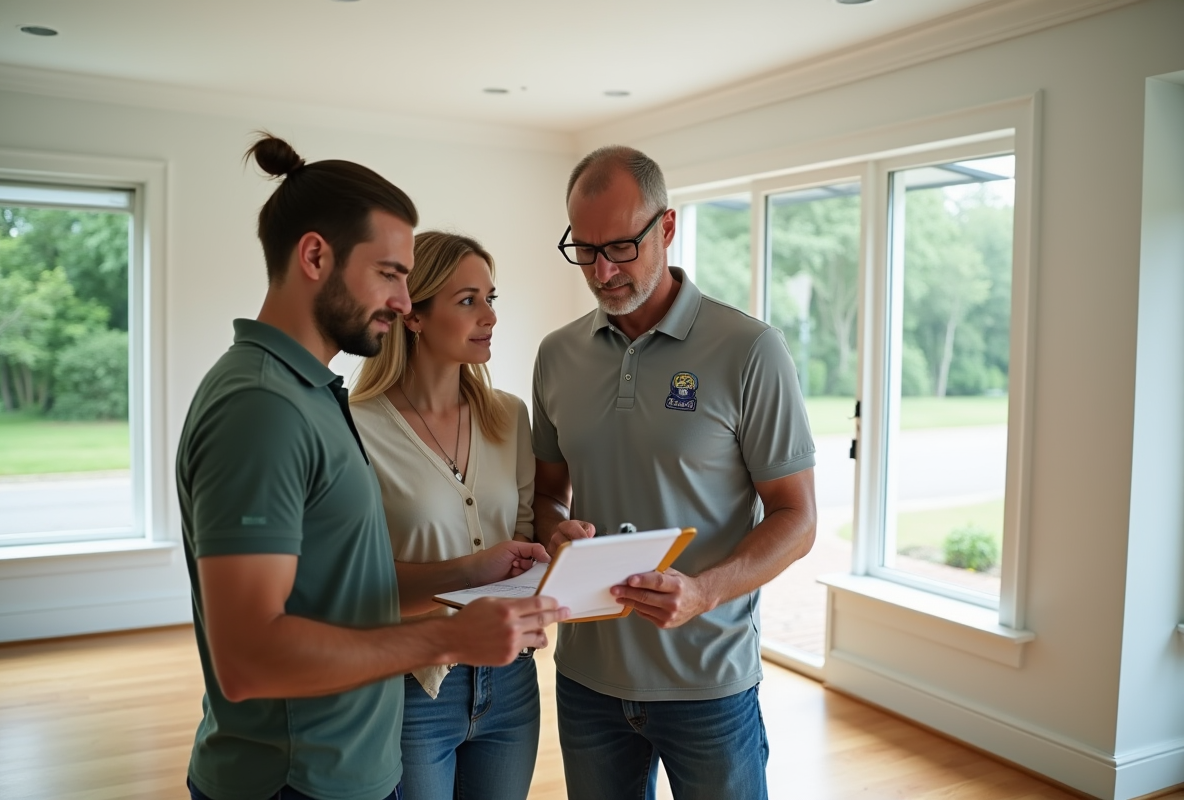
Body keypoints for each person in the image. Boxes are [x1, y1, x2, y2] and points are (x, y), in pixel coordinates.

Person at [176, 133, 566, 800]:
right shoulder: (263, 409)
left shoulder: (311, 393)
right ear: (315, 256)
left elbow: (344, 585)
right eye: (389, 273)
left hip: (354, 765)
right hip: (295, 781)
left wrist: (469, 572)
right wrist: (445, 641)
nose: (402, 300)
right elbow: (246, 658)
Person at [531, 145, 818, 800]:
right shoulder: (557, 356)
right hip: (586, 681)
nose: (602, 270)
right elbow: (548, 494)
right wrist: (555, 533)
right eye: (585, 249)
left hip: (708, 686)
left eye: (622, 247)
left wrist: (704, 593)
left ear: (666, 228)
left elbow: (797, 519)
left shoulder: (750, 350)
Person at [349, 231, 541, 800]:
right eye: (467, 301)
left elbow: (524, 538)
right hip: (410, 689)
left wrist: (554, 553)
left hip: (511, 685)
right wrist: (471, 569)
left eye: (491, 298)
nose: (489, 316)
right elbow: (359, 586)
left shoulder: (509, 416)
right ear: (413, 315)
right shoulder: (355, 426)